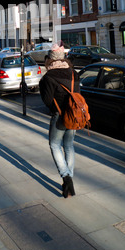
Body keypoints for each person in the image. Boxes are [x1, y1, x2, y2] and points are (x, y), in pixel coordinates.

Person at [39, 42, 80, 198]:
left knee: (55, 144)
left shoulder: (49, 76)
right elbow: (78, 94)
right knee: (69, 145)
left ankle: (66, 176)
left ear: (50, 59)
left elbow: (48, 100)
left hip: (59, 116)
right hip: (74, 115)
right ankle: (68, 179)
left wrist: (55, 108)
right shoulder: (73, 73)